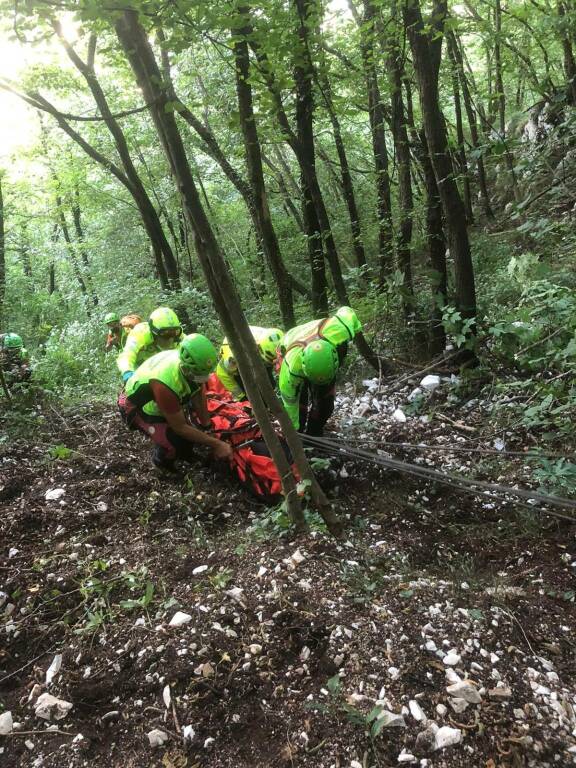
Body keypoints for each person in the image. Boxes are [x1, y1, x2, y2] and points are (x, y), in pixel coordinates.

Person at [118, 333, 233, 470]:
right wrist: (217, 444)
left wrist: (207, 426)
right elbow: (180, 427)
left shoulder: (191, 364)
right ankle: (163, 465)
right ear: (186, 367)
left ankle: (187, 455)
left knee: (190, 435)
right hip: (136, 406)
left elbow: (198, 391)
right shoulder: (165, 383)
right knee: (173, 443)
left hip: (159, 397)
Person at [278, 306, 362, 436]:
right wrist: (293, 431)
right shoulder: (291, 367)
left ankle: (314, 433)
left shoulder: (341, 329)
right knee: (300, 405)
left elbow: (348, 311)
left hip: (325, 342)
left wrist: (356, 330)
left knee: (325, 406)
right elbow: (290, 403)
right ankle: (301, 433)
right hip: (291, 340)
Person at [215, 326, 284, 400]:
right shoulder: (233, 357)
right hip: (240, 370)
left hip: (256, 357)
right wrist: (241, 397)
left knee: (270, 385)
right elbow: (222, 372)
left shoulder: (272, 337)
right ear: (258, 347)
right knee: (252, 396)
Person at [117, 307, 183, 383]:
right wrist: (127, 372)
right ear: (154, 331)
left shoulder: (179, 336)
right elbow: (128, 353)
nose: (171, 339)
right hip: (138, 372)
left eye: (175, 333)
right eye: (165, 334)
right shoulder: (141, 333)